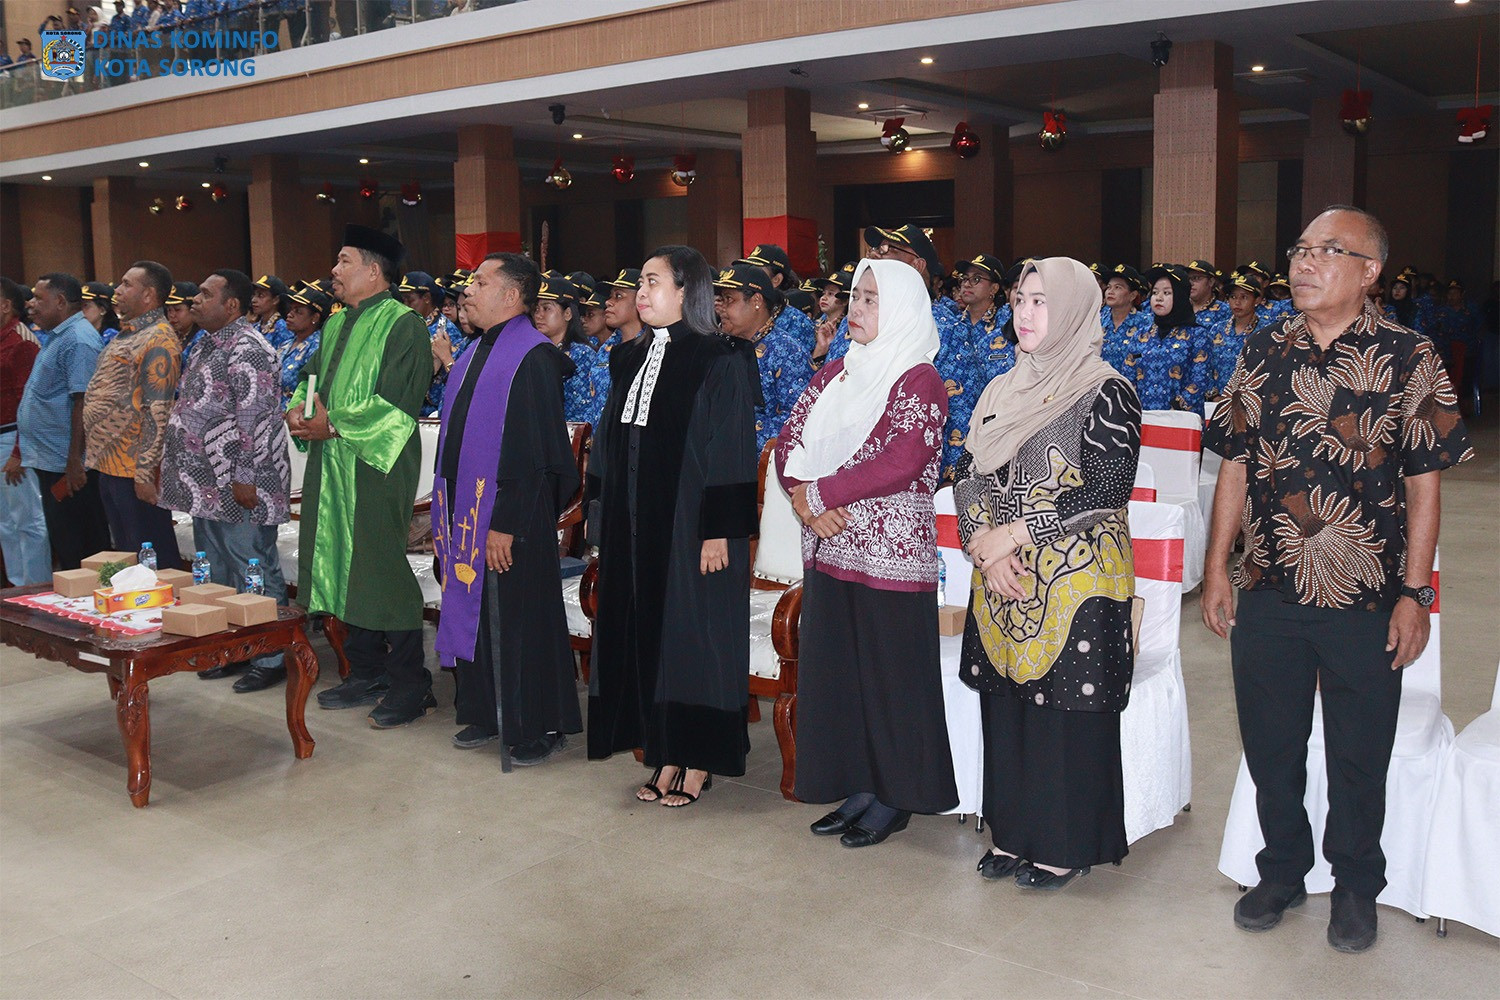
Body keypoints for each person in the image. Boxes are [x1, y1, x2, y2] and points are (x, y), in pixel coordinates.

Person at [1202, 206, 1473, 953]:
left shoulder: (1409, 356)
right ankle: (1283, 869)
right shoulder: (1264, 347)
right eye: (1299, 250)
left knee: (1359, 749)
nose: (1304, 263)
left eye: (1327, 251)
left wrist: (1415, 594)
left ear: (1370, 271)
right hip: (1268, 582)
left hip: (1366, 593)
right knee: (1271, 743)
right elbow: (1235, 463)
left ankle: (1355, 883)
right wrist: (1216, 567)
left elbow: (1423, 485)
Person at [955, 256, 1142, 891]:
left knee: (1065, 714)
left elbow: (1107, 489)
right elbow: (968, 472)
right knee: (1007, 709)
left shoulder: (1105, 389)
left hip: (1076, 578)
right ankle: (1012, 832)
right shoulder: (999, 389)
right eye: (1019, 300)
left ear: (1073, 311)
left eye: (1041, 301)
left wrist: (1012, 536)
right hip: (1001, 576)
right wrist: (982, 545)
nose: (1025, 314)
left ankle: (1065, 844)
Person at [775, 258, 957, 848]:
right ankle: (857, 785)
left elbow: (902, 459)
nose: (856, 308)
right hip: (829, 546)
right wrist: (804, 500)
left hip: (889, 557)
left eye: (871, 299)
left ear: (902, 308)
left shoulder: (919, 379)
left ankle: (895, 796)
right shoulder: (837, 373)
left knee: (891, 677)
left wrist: (820, 493)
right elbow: (788, 440)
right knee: (843, 674)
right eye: (855, 296)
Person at [586, 245, 758, 807]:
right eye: (639, 282)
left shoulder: (720, 358)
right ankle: (662, 751)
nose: (640, 292)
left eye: (652, 282)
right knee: (650, 636)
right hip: (636, 522)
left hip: (693, 524)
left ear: (686, 291)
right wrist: (601, 519)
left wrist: (718, 530)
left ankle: (697, 758)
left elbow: (731, 448)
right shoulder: (627, 357)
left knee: (694, 640)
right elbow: (608, 445)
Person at [432, 253, 583, 765]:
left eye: (480, 282)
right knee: (475, 610)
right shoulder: (475, 351)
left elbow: (536, 454)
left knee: (522, 620)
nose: (468, 290)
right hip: (467, 514)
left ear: (512, 296)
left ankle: (538, 724)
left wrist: (505, 523)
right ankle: (487, 709)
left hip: (512, 518)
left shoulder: (533, 358)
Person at [287, 225, 436, 729]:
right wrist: (298, 410)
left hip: (376, 465)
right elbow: (310, 380)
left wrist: (332, 424)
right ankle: (366, 670)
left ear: (374, 272)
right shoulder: (336, 323)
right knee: (342, 566)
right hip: (331, 463)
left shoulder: (404, 325)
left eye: (343, 261)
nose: (334, 270)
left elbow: (398, 404)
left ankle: (411, 684)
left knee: (380, 567)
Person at [159, 270, 292, 692]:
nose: (194, 300)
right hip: (206, 483)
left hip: (241, 481)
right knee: (215, 568)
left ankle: (270, 655)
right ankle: (230, 648)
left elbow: (256, 419)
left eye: (204, 294)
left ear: (231, 305)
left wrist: (245, 476)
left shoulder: (250, 348)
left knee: (252, 566)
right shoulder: (206, 342)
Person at [83, 261, 182, 567]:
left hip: (133, 468)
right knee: (128, 556)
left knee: (152, 560)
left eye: (127, 284)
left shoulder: (159, 339)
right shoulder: (128, 333)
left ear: (149, 295)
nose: (118, 290)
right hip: (109, 463)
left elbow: (158, 410)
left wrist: (145, 474)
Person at [12, 273, 109, 570]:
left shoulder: (78, 340)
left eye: (39, 298)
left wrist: (75, 461)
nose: (30, 304)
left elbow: (83, 401)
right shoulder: (59, 335)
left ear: (61, 301)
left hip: (68, 466)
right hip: (52, 459)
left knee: (81, 548)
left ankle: (87, 598)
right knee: (66, 545)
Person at [714, 264, 812, 451]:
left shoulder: (788, 352)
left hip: (761, 459)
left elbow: (799, 419)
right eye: (721, 300)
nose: (722, 308)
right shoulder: (724, 345)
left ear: (756, 301)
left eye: (729, 300)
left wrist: (735, 433)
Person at [0, 279, 49, 585]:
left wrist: (20, 451)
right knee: (5, 523)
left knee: (27, 519)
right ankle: (17, 587)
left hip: (13, 437)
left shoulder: (22, 341)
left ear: (6, 306)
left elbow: (29, 403)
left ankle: (36, 588)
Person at [1121, 264, 1210, 415]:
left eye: (1167, 293)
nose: (1159, 298)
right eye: (1155, 292)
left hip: (1180, 419)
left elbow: (1200, 380)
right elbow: (1129, 371)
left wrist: (1175, 408)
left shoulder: (1197, 335)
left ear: (1180, 296)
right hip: (1144, 418)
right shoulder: (1141, 336)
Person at [535, 275, 597, 424]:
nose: (539, 315)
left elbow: (583, 410)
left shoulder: (582, 354)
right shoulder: (536, 351)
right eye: (536, 309)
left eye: (546, 308)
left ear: (568, 313)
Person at [739, 243, 816, 355]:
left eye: (758, 272)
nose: (751, 276)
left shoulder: (797, 322)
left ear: (776, 280)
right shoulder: (740, 312)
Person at [1205, 270, 1263, 398]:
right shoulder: (1217, 329)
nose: (1237, 302)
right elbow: (1205, 365)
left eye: (1244, 297)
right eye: (1233, 297)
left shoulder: (1265, 331)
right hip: (1217, 401)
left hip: (1252, 401)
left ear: (1257, 300)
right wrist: (1214, 396)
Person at [278, 281, 328, 408]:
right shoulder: (286, 344)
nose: (290, 314)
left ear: (315, 318)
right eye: (291, 309)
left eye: (298, 312)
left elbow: (312, 389)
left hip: (297, 413)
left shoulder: (317, 347)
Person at [1100, 264, 1152, 374]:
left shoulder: (1146, 323)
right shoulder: (1098, 321)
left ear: (1132, 295)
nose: (1110, 291)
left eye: (1118, 287)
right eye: (1109, 287)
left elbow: (1147, 357)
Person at [164, 281, 205, 371]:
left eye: (177, 310)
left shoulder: (203, 338)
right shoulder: (169, 334)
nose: (172, 315)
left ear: (193, 309)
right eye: (169, 310)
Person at [250, 275, 293, 351]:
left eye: (261, 296)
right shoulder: (254, 327)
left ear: (275, 300)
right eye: (254, 295)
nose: (253, 300)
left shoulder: (283, 329)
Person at [1186, 259, 1229, 329]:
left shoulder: (1224, 310)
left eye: (1196, 278)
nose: (1191, 283)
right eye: (1188, 279)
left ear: (1211, 282)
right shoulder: (1181, 308)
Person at [80, 281, 120, 345]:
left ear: (102, 310)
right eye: (79, 306)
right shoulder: (79, 333)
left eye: (86, 305)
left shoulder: (111, 337)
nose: (81, 311)